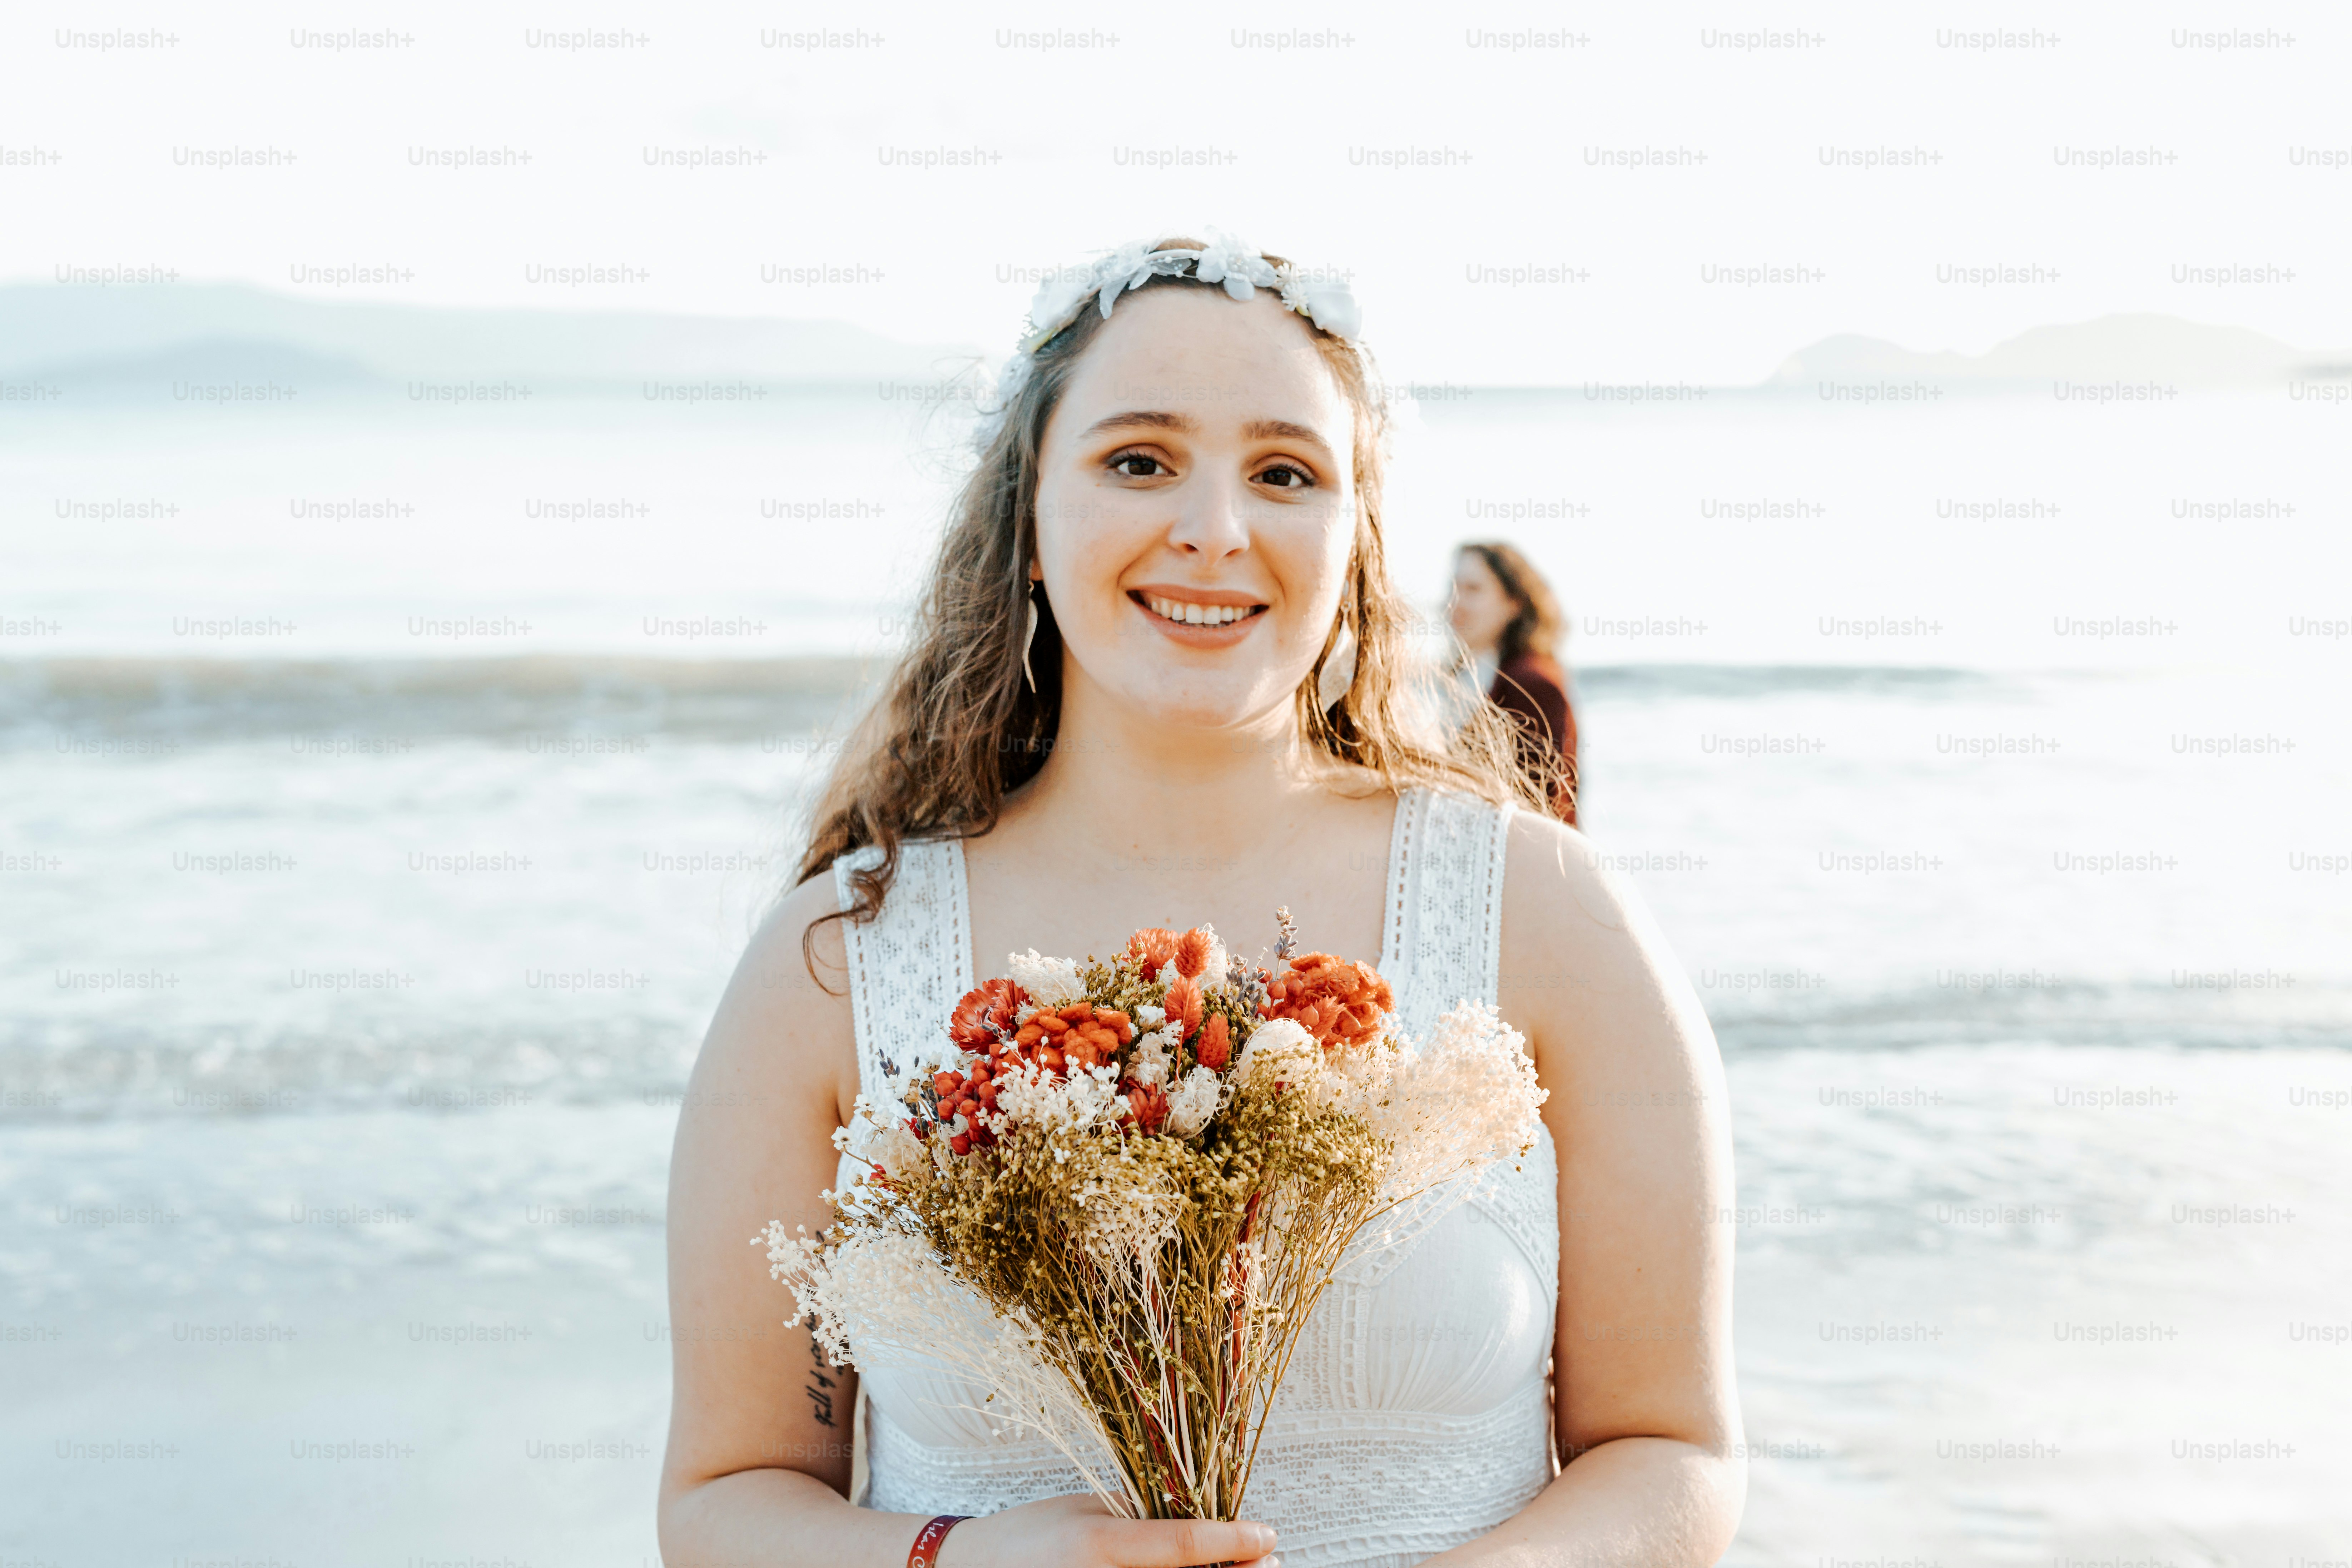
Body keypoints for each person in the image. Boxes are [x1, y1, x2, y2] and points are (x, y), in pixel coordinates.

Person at [658, 233, 1742, 1568]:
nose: (1215, 530)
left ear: (1353, 541)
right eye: (1139, 460)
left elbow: (1674, 1449)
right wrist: (960, 1556)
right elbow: (724, 1496)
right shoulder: (838, 958)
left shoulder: (1550, 912)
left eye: (1284, 473)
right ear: (1031, 524)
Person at [1449, 543, 1577, 825]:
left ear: (1513, 603)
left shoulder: (1532, 683)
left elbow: (1543, 804)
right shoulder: (1468, 674)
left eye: (1473, 589)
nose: (1455, 603)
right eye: (1453, 589)